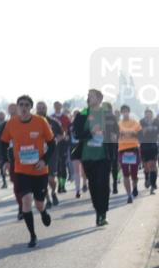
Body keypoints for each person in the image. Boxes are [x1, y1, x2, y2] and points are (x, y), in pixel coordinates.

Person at [0, 95, 54, 248]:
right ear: (17, 108)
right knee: (26, 200)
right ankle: (33, 235)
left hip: (39, 170)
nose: (23, 108)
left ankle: (43, 212)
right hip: (21, 170)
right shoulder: (11, 123)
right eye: (21, 105)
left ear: (31, 107)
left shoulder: (40, 122)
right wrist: (4, 160)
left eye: (26, 105)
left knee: (39, 203)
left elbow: (52, 143)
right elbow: (2, 142)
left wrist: (44, 160)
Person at [72, 90, 116, 227]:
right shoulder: (82, 114)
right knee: (93, 185)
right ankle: (98, 211)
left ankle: (103, 213)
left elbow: (115, 131)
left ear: (100, 98)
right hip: (87, 156)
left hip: (104, 155)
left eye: (92, 96)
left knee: (103, 184)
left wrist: (113, 136)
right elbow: (76, 134)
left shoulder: (107, 114)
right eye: (88, 96)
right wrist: (90, 133)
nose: (89, 98)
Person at [36, 101, 63, 207]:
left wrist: (55, 140)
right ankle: (47, 199)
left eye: (43, 108)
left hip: (51, 153)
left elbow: (62, 134)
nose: (41, 110)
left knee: (51, 179)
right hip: (37, 154)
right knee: (42, 179)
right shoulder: (32, 122)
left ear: (46, 109)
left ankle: (53, 192)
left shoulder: (53, 122)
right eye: (39, 108)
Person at [116, 104, 142, 203]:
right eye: (123, 111)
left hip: (134, 149)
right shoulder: (118, 124)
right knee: (126, 174)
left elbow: (140, 134)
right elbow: (116, 135)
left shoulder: (135, 123)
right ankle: (129, 195)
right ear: (122, 113)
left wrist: (132, 134)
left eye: (126, 111)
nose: (125, 113)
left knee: (134, 174)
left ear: (129, 112)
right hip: (123, 150)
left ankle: (135, 187)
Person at [140, 109, 158, 194]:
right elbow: (138, 135)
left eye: (150, 114)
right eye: (146, 114)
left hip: (153, 146)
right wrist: (143, 132)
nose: (148, 116)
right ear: (144, 115)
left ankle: (153, 185)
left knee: (153, 165)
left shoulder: (156, 122)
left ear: (152, 115)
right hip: (144, 146)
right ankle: (147, 178)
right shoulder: (141, 122)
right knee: (146, 166)